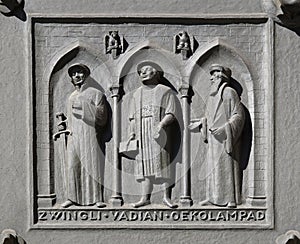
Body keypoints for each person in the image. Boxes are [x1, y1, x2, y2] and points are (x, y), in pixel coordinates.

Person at [194, 64, 247, 208]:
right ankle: (213, 197)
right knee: (213, 168)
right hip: (213, 139)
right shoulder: (212, 97)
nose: (211, 78)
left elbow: (238, 115)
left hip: (225, 138)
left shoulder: (229, 92)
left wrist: (226, 129)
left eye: (214, 74)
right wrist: (202, 122)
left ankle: (230, 199)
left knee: (226, 167)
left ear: (221, 76)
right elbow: (209, 116)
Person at [127, 61, 177, 208]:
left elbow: (171, 113)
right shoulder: (137, 94)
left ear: (155, 73)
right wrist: (132, 132)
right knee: (144, 164)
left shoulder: (165, 91)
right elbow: (132, 117)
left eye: (145, 70)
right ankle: (145, 198)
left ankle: (166, 197)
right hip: (142, 131)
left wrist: (161, 125)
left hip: (159, 131)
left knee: (163, 163)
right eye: (140, 71)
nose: (141, 73)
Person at [61, 63, 107, 208]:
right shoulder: (71, 97)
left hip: (90, 134)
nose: (77, 76)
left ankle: (96, 198)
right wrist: (64, 125)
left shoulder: (96, 94)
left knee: (91, 165)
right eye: (74, 74)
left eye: (79, 72)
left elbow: (102, 117)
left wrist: (83, 109)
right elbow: (70, 117)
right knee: (72, 166)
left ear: (86, 75)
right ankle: (72, 198)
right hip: (73, 136)